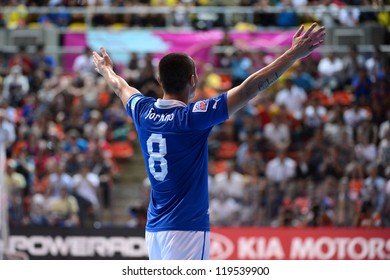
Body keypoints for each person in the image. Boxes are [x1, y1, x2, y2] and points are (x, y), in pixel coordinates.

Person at [93, 23, 325, 260]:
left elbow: (121, 87)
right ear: (193, 80)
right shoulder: (191, 117)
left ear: (160, 81)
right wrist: (293, 53)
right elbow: (248, 90)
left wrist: (106, 70)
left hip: (154, 230)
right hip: (186, 230)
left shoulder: (142, 111)